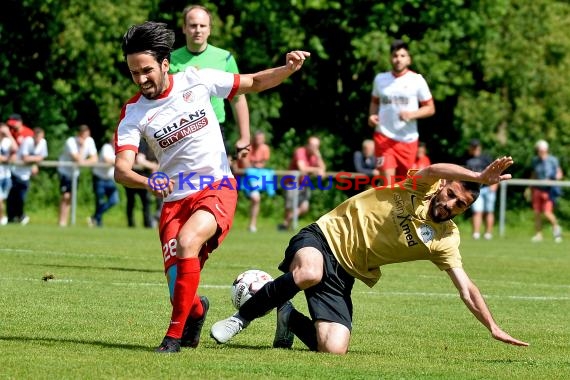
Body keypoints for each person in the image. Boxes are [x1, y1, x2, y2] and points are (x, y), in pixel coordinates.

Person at [114, 21, 309, 353]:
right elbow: (121, 170)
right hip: (174, 201)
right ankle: (196, 312)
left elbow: (254, 81)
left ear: (164, 63)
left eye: (146, 70)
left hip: (215, 187)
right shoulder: (133, 113)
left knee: (187, 240)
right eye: (134, 73)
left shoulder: (197, 79)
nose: (141, 78)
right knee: (180, 293)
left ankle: (172, 339)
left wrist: (288, 68)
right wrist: (149, 181)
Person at [210, 156, 530, 354]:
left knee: (333, 348)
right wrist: (477, 177)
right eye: (451, 195)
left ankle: (288, 317)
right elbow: (435, 167)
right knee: (309, 272)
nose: (449, 204)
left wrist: (492, 326)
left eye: (460, 205)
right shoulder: (421, 186)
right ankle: (242, 317)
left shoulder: (445, 239)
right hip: (323, 236)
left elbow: (466, 287)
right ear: (444, 186)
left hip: (346, 272)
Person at [170, 4, 250, 157]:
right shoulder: (170, 60)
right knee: (183, 181)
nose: (198, 30)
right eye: (193, 25)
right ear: (184, 28)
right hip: (180, 133)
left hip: (214, 130)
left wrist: (245, 138)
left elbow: (238, 99)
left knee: (219, 181)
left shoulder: (225, 58)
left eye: (202, 25)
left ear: (209, 29)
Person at [368, 39, 435, 184]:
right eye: (395, 55)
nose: (398, 59)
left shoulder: (416, 80)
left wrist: (412, 114)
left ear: (408, 59)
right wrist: (372, 116)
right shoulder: (380, 79)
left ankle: (400, 207)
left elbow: (430, 108)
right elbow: (374, 102)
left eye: (402, 56)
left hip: (407, 140)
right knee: (388, 185)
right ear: (390, 58)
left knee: (404, 185)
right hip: (383, 136)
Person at [278, 136, 326, 231]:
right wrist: (317, 170)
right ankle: (286, 226)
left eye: (317, 146)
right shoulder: (300, 151)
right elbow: (302, 168)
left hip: (303, 183)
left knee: (304, 208)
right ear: (307, 145)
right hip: (291, 182)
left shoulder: (315, 156)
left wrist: (318, 156)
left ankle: (285, 223)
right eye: (313, 145)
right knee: (289, 206)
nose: (315, 148)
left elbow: (323, 168)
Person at [57, 124, 98, 227]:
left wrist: (82, 162)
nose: (86, 139)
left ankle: (66, 221)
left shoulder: (90, 141)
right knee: (65, 196)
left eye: (87, 136)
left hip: (75, 173)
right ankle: (62, 221)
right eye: (84, 136)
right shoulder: (70, 141)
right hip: (65, 171)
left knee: (70, 197)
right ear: (79, 135)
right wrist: (83, 147)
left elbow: (94, 159)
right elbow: (77, 158)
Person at [234, 130, 274, 233]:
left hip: (252, 177)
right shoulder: (247, 147)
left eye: (261, 140)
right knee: (232, 200)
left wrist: (254, 164)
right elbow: (245, 165)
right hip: (238, 176)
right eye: (257, 139)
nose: (259, 142)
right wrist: (255, 164)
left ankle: (252, 224)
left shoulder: (265, 148)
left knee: (255, 198)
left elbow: (262, 164)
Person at [7, 127, 48, 225]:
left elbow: (42, 157)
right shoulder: (27, 141)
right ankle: (11, 218)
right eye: (36, 137)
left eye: (40, 137)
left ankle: (19, 216)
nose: (38, 140)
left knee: (21, 197)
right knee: (13, 197)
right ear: (33, 136)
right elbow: (25, 158)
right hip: (16, 172)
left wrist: (33, 162)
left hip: (26, 174)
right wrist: (35, 160)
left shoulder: (43, 142)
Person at [529, 140, 563, 243]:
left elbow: (559, 173)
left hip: (548, 190)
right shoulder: (535, 160)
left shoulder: (553, 160)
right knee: (537, 213)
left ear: (546, 150)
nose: (541, 152)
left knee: (548, 213)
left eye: (542, 150)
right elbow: (534, 174)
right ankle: (538, 235)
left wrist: (553, 179)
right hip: (537, 189)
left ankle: (557, 231)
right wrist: (530, 187)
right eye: (539, 150)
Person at [464, 139, 496, 240]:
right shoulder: (466, 158)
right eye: (473, 147)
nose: (474, 149)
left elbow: (494, 170)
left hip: (487, 188)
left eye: (476, 147)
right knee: (477, 211)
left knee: (489, 211)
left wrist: (494, 185)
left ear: (479, 147)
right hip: (474, 189)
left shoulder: (486, 158)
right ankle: (476, 233)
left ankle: (488, 233)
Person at [124, 139, 158, 228]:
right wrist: (154, 166)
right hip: (136, 176)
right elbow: (140, 160)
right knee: (132, 202)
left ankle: (146, 224)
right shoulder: (143, 143)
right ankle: (132, 224)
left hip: (144, 176)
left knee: (145, 203)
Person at [89, 138, 118, 227]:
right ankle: (98, 222)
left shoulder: (119, 151)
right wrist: (119, 163)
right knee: (100, 201)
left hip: (109, 180)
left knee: (114, 200)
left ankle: (94, 217)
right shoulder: (107, 147)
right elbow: (106, 159)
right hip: (99, 178)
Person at [0, 123, 17, 226]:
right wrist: (7, 159)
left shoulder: (7, 141)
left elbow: (15, 149)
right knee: (0, 198)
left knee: (4, 198)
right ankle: (2, 218)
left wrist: (9, 135)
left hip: (6, 175)